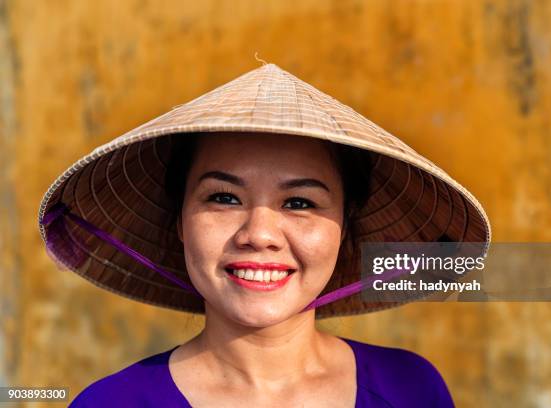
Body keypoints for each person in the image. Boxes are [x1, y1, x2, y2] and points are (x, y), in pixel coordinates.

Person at [38, 63, 491, 407]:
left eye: (299, 203)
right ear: (179, 222)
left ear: (345, 230)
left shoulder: (409, 388)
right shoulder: (112, 403)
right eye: (224, 198)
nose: (259, 234)